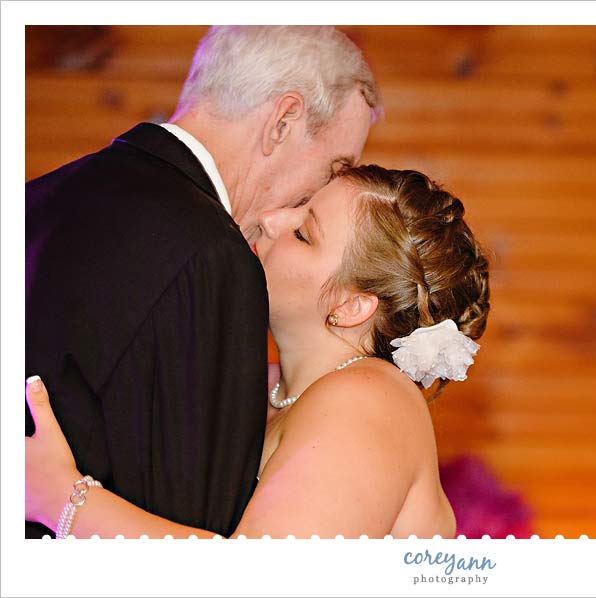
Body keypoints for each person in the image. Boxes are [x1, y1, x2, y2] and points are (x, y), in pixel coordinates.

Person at [25, 26, 381, 538]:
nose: (318, 195)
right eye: (334, 168)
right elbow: (195, 525)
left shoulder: (36, 199)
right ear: (282, 121)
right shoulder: (212, 256)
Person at [26, 165, 491, 538]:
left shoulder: (372, 398)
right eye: (297, 206)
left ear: (350, 306)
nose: (271, 220)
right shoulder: (269, 385)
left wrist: (60, 497)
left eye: (304, 233)